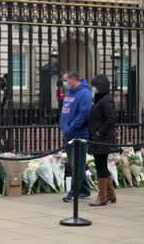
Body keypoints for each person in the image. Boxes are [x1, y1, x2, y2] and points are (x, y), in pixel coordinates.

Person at [60, 70, 92, 202]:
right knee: (74, 164)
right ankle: (84, 189)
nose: (64, 83)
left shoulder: (84, 93)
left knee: (77, 164)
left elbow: (84, 114)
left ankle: (75, 191)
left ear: (73, 79)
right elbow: (65, 112)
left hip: (78, 134)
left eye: (66, 80)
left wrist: (71, 127)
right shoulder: (69, 93)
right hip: (68, 134)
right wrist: (64, 128)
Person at [88, 75, 117, 206]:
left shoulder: (106, 100)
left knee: (100, 166)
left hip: (102, 138)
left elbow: (111, 119)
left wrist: (99, 132)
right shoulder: (100, 99)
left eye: (94, 86)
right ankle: (110, 193)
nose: (93, 88)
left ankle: (102, 196)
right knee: (101, 164)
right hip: (97, 137)